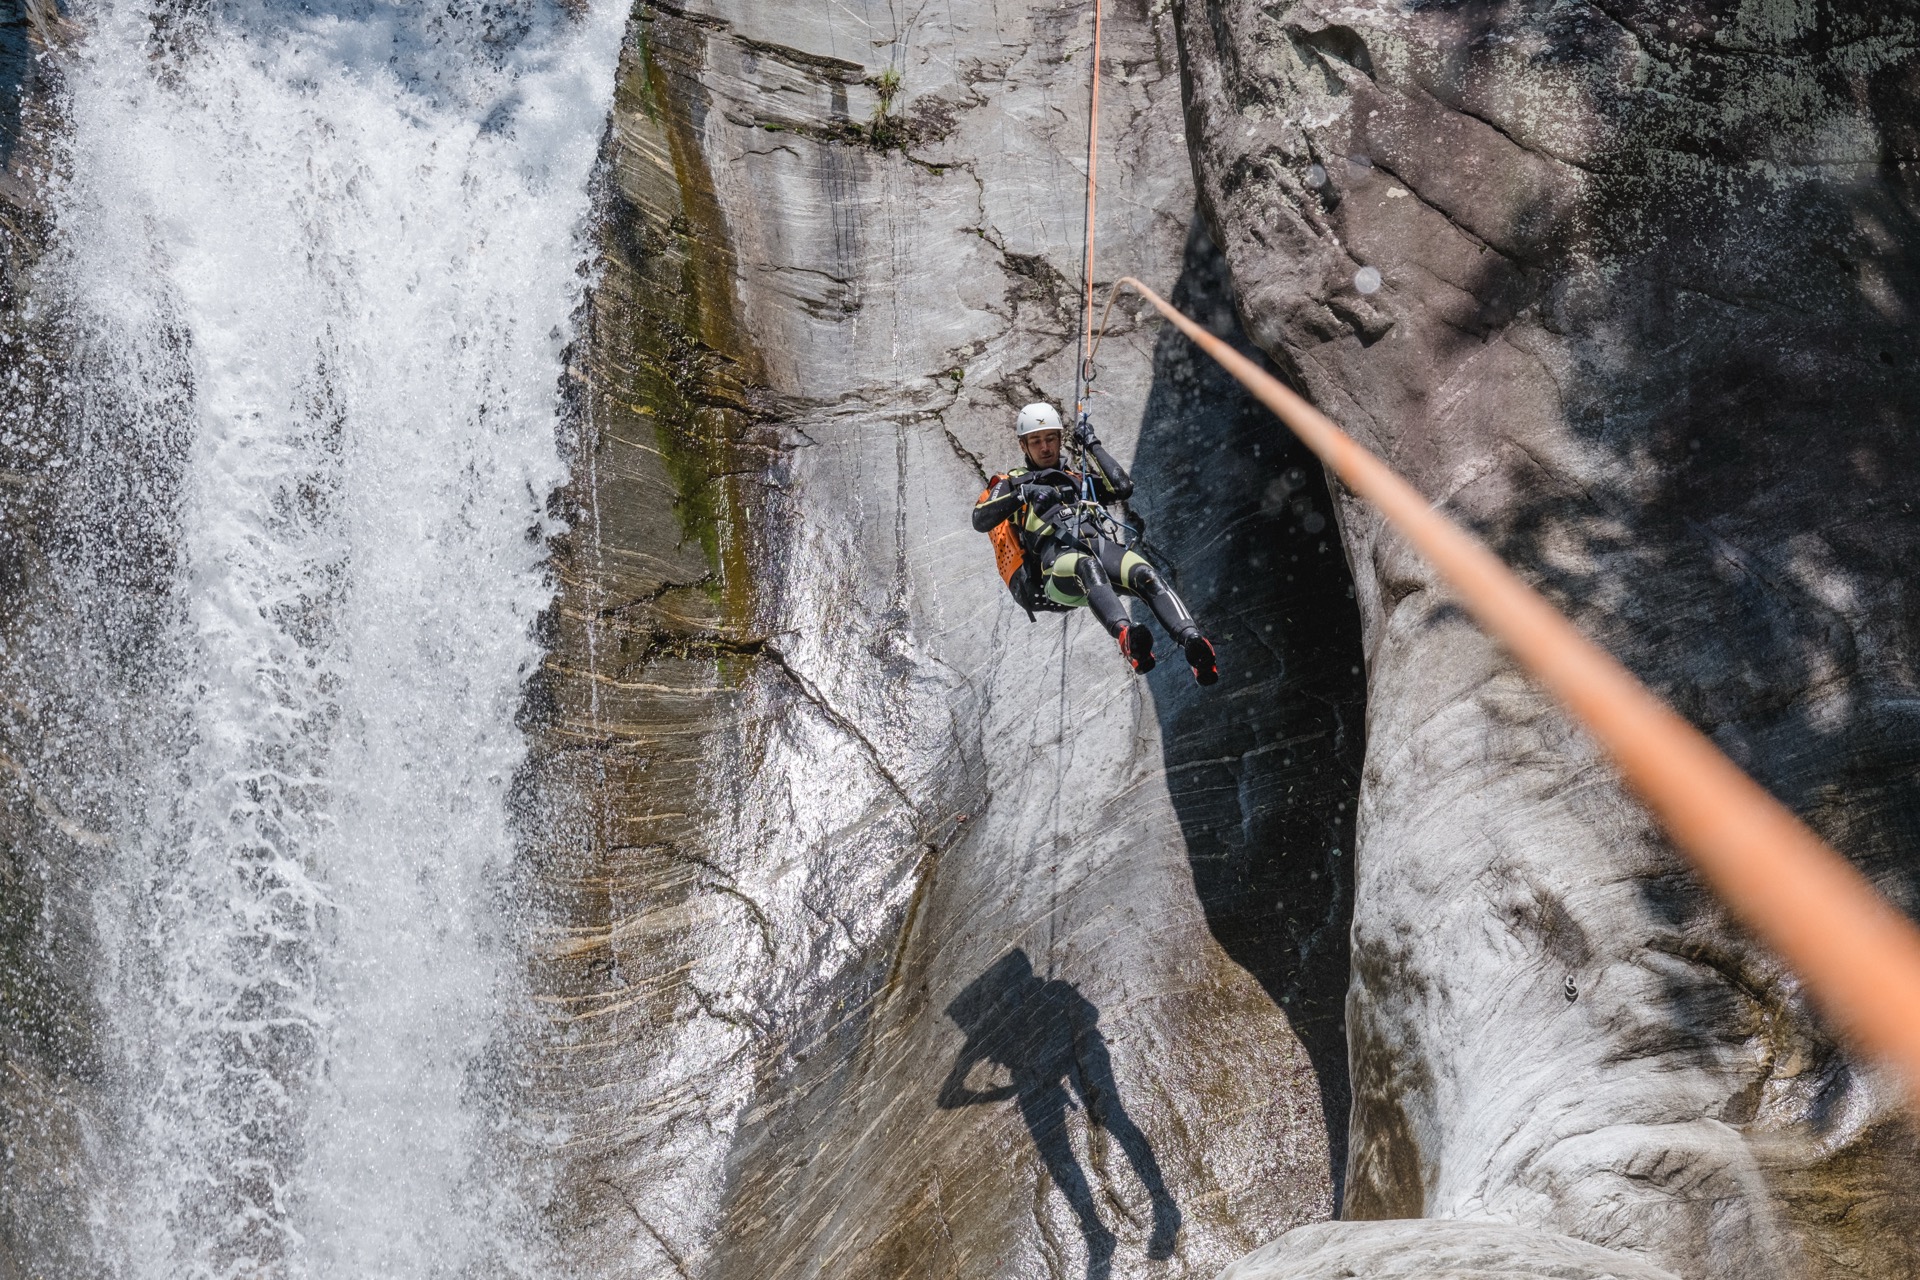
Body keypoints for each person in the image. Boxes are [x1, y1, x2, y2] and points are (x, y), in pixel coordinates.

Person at [972, 402, 1217, 684]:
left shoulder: (1078, 478)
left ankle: (1195, 644)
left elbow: (1122, 487)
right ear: (1023, 446)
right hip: (1057, 565)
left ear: (1059, 439)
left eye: (1051, 438)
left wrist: (1092, 443)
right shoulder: (1012, 482)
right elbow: (980, 518)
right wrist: (1024, 494)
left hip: (1099, 548)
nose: (1045, 447)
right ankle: (1128, 639)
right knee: (1087, 566)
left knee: (1146, 575)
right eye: (1036, 441)